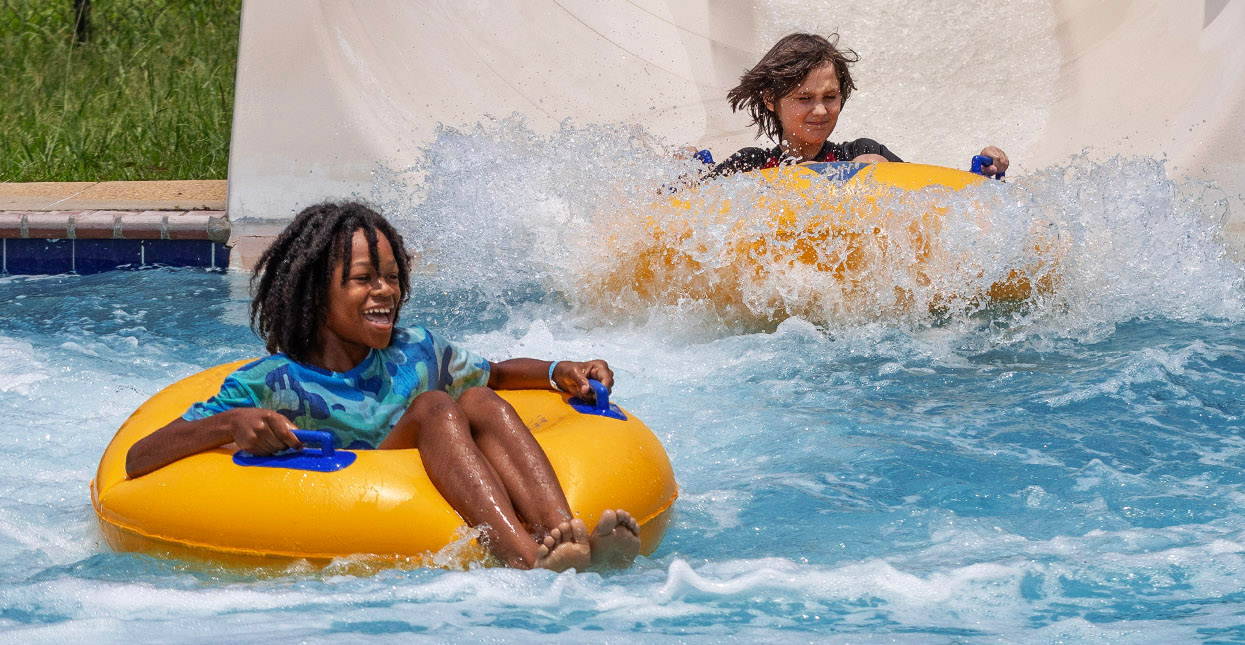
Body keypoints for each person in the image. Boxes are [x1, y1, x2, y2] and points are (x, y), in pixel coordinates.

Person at [123, 202, 641, 572]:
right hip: (358, 497)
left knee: (479, 397)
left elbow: (499, 373)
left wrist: (558, 371)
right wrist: (232, 423)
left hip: (441, 458)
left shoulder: (415, 349)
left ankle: (564, 534)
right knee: (437, 405)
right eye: (364, 278)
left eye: (393, 277)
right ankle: (528, 560)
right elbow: (141, 457)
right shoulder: (273, 382)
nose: (385, 291)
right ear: (313, 293)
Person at [701, 33, 1009, 178]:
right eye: (804, 99)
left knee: (871, 162)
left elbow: (927, 194)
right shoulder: (751, 164)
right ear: (771, 100)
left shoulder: (859, 151)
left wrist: (978, 177)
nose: (820, 110)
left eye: (830, 97)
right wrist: (684, 174)